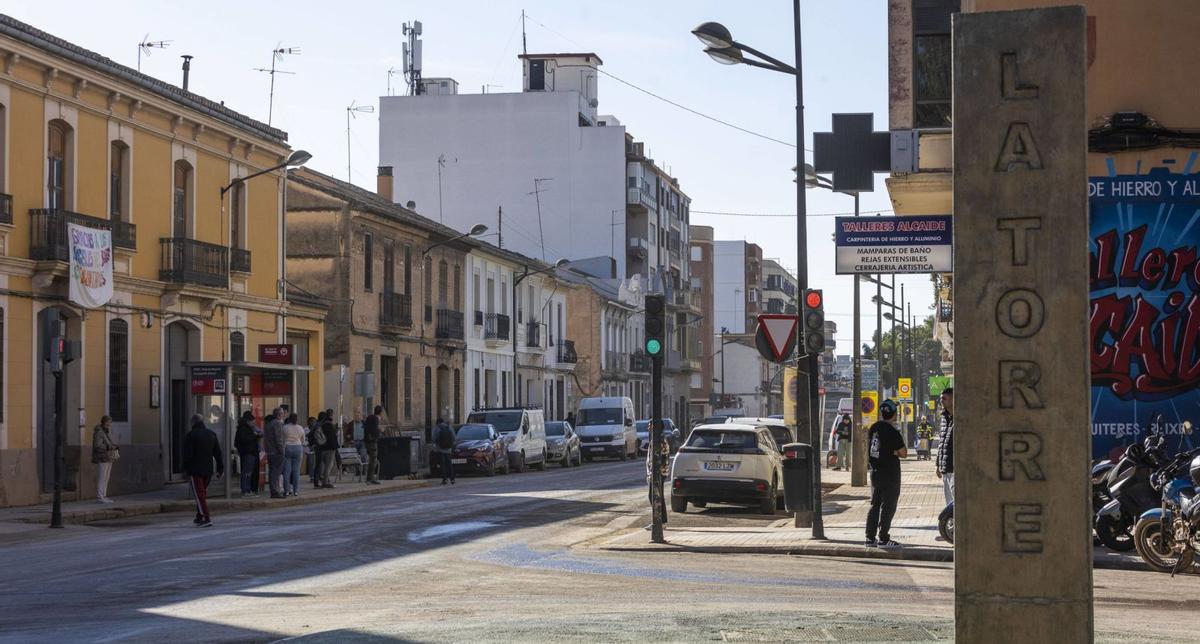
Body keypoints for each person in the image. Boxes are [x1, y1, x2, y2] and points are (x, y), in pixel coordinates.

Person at [865, 399, 907, 548]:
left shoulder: (874, 428)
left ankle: (870, 538)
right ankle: (883, 538)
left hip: (875, 472)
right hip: (890, 473)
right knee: (888, 506)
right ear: (894, 414)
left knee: (875, 505)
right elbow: (904, 453)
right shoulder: (893, 431)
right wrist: (894, 452)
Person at [182, 414, 223, 527]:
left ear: (193, 422)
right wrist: (220, 468)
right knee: (202, 493)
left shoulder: (191, 435)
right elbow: (217, 453)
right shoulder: (211, 434)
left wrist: (186, 468)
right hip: (208, 470)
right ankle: (199, 516)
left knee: (199, 494)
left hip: (195, 470)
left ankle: (206, 517)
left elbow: (187, 454)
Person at [92, 415, 118, 504]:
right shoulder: (99, 431)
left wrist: (113, 446)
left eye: (110, 422)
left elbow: (110, 441)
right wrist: (109, 447)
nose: (109, 424)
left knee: (106, 477)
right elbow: (97, 445)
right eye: (108, 422)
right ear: (103, 422)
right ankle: (100, 496)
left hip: (108, 456)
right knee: (102, 477)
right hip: (102, 457)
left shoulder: (107, 431)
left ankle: (104, 495)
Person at [234, 411, 260, 497]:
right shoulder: (244, 429)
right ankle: (246, 490)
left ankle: (247, 489)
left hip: (249, 452)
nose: (254, 423)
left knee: (248, 472)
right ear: (248, 421)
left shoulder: (245, 428)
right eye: (252, 421)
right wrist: (254, 436)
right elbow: (244, 440)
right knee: (247, 472)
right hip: (248, 452)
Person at [936, 388, 955, 504]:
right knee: (949, 504)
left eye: (944, 398)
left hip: (954, 469)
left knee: (956, 503)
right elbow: (942, 442)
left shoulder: (960, 417)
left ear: (953, 399)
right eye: (941, 398)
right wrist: (938, 464)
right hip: (945, 469)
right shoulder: (944, 418)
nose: (941, 401)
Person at [263, 408, 286, 499]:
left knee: (272, 471)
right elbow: (279, 439)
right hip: (276, 451)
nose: (283, 415)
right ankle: (275, 491)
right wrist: (282, 451)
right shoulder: (277, 424)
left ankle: (274, 490)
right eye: (282, 414)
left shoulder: (268, 424)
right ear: (279, 415)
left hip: (270, 451)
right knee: (276, 473)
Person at [282, 413, 306, 496]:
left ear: (289, 419)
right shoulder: (300, 428)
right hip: (298, 447)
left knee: (287, 471)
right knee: (296, 471)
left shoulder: (285, 427)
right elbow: (303, 440)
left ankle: (286, 490)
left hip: (287, 447)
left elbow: (282, 438)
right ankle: (296, 490)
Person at [433, 417, 456, 485]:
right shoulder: (449, 427)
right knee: (449, 464)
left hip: (440, 449)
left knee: (442, 465)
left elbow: (433, 438)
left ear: (437, 423)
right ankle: (452, 479)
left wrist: (436, 445)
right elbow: (454, 437)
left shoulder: (437, 428)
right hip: (448, 449)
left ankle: (445, 479)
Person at [364, 406, 382, 484]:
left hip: (367, 441)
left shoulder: (369, 418)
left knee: (372, 460)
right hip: (372, 442)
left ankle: (370, 478)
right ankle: (370, 478)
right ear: (380, 412)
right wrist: (379, 431)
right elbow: (374, 430)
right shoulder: (375, 419)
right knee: (373, 460)